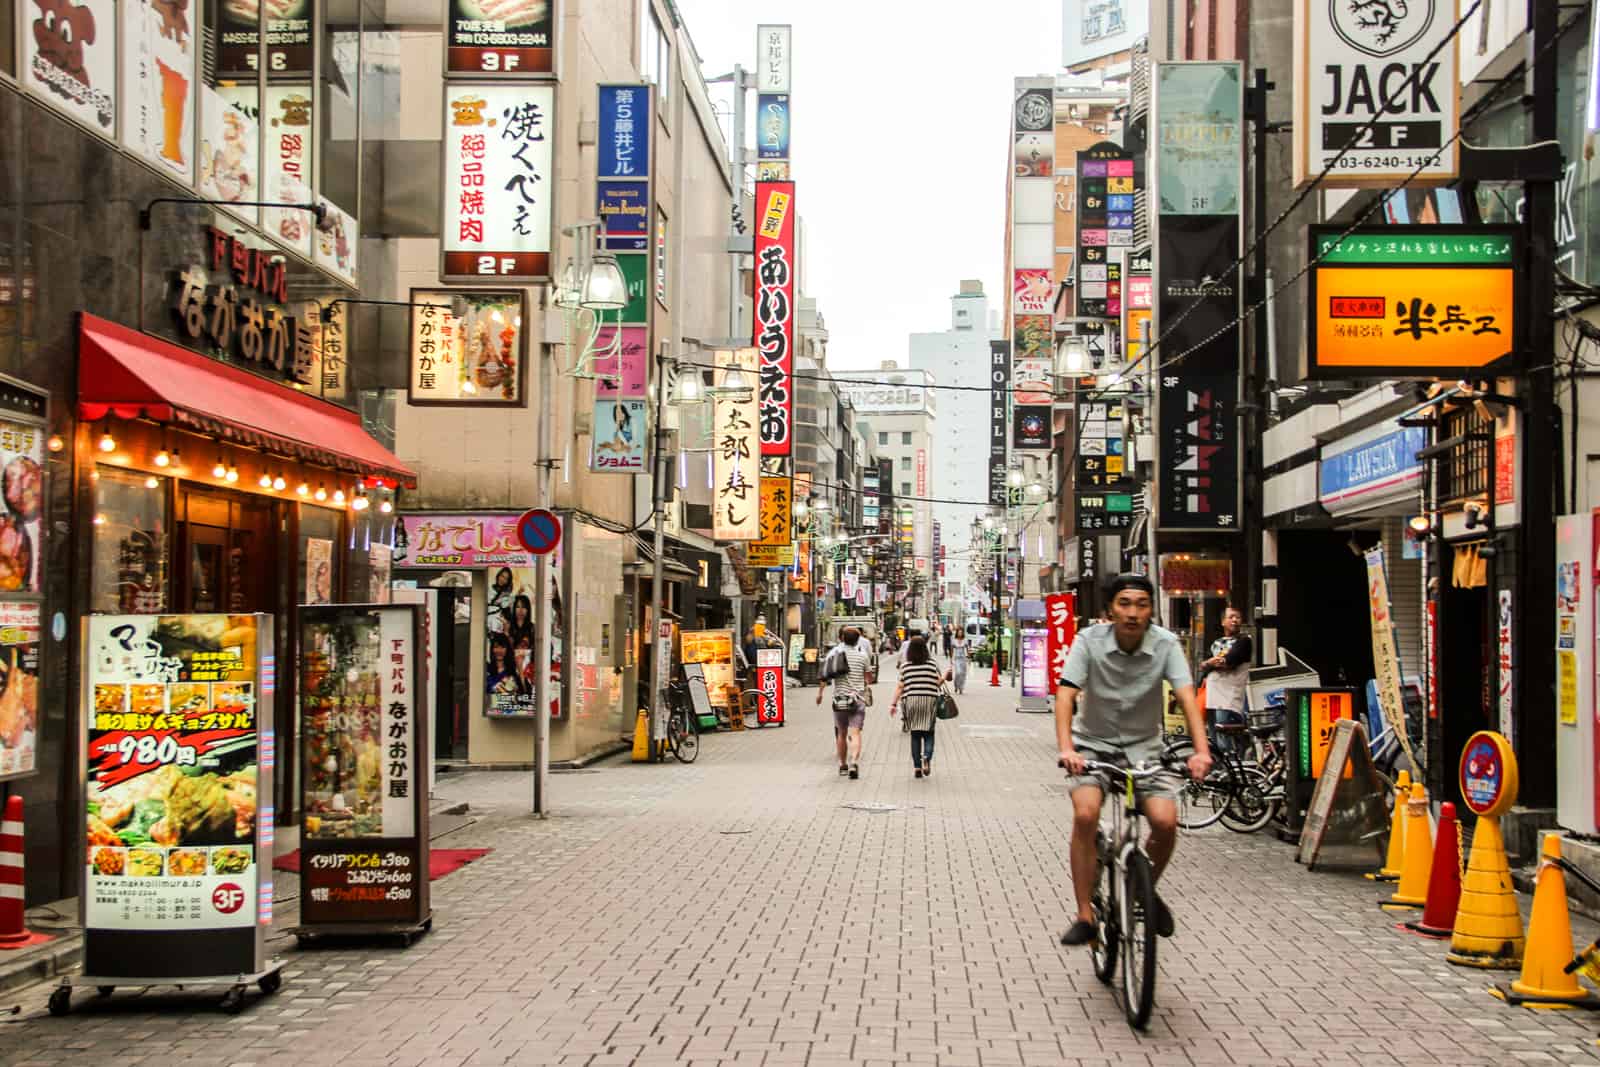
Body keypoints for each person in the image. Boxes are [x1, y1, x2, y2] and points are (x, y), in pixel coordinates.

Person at [1055, 574, 1211, 947]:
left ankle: (1143, 889)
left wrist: (1201, 751)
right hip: (1092, 747)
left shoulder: (1166, 644)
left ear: (1151, 610)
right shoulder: (1088, 642)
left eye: (1141, 605)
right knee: (1086, 814)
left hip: (1146, 750)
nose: (1133, 613)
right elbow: (1065, 696)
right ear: (1110, 609)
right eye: (1124, 604)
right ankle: (1085, 916)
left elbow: (1188, 698)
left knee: (1165, 821)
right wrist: (1067, 749)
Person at [889, 636, 950, 778]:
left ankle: (917, 767)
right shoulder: (931, 664)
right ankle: (927, 757)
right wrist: (945, 675)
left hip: (911, 702)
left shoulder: (906, 666)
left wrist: (893, 704)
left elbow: (900, 687)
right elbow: (937, 683)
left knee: (915, 735)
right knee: (929, 733)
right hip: (929, 702)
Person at [816, 625, 872, 778]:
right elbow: (869, 678)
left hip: (839, 698)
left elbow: (825, 674)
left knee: (841, 733)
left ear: (842, 638)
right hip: (858, 698)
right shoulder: (863, 656)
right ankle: (854, 761)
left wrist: (820, 693)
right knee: (855, 733)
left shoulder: (834, 653)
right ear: (857, 640)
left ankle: (842, 765)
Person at [1200, 606, 1253, 751]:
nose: (1235, 620)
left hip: (1229, 700)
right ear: (1223, 621)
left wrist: (1211, 663)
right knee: (1215, 741)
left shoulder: (1244, 641)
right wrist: (1209, 663)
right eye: (1231, 617)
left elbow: (1229, 662)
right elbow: (1203, 665)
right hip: (1212, 700)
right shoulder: (1217, 643)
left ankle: (1233, 772)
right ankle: (1221, 772)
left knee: (1227, 744)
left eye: (1238, 617)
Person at [950, 629, 970, 694]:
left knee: (963, 674)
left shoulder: (965, 640)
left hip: (963, 659)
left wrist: (969, 658)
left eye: (961, 633)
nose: (960, 634)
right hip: (957, 659)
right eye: (959, 633)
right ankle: (956, 685)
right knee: (958, 673)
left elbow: (968, 649)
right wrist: (951, 659)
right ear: (957, 633)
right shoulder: (954, 640)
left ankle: (961, 688)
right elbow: (951, 650)